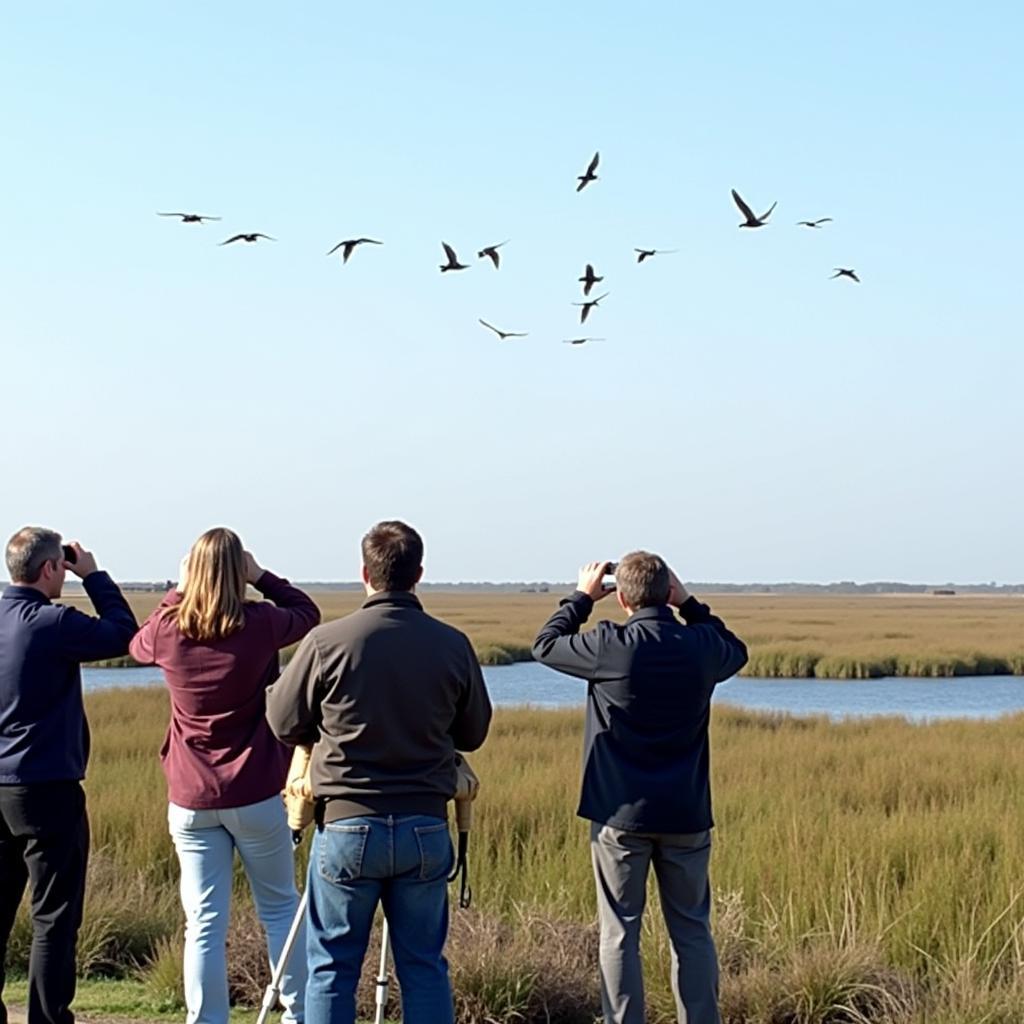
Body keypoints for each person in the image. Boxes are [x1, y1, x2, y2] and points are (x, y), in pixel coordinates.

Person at [266, 520, 492, 1024]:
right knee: (424, 967)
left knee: (330, 968)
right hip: (426, 825)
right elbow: (473, 733)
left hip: (346, 823)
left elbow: (282, 722)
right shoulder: (452, 644)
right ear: (419, 574)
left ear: (365, 573)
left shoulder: (328, 642)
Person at [532, 553, 748, 1024]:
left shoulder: (612, 646)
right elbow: (737, 648)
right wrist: (689, 603)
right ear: (667, 589)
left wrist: (581, 598)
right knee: (692, 931)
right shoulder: (700, 646)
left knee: (619, 933)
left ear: (623, 597)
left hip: (619, 814)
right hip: (687, 814)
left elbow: (545, 645)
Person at [129, 528, 320, 1024]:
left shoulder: (169, 628)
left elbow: (137, 643)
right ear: (240, 573)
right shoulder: (260, 623)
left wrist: (179, 587)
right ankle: (297, 1014)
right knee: (279, 907)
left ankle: (207, 1019)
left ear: (192, 572)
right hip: (256, 789)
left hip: (191, 797)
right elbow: (308, 613)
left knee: (204, 923)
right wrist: (262, 576)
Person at [0, 527, 138, 1024]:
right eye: (63, 564)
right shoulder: (51, 622)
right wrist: (95, 575)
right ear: (51, 569)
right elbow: (126, 633)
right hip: (46, 789)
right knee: (53, 917)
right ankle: (47, 1018)